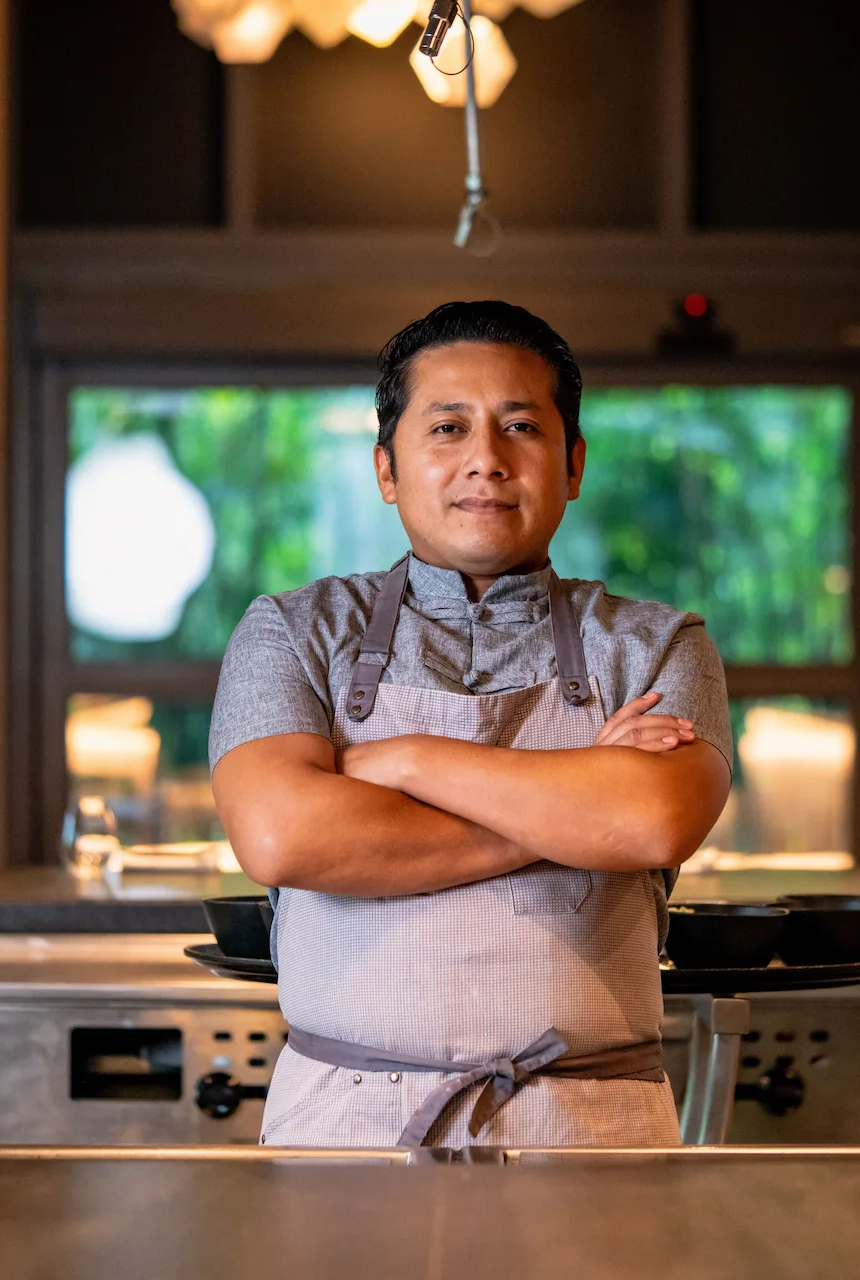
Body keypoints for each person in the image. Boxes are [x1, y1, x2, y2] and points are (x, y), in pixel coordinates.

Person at [208, 300, 733, 1148]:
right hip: (344, 1132)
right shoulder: (292, 632)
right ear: (387, 469)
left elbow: (651, 820)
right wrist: (574, 809)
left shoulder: (659, 644)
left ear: (573, 464)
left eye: (520, 426)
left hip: (593, 1135)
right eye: (448, 428)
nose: (486, 460)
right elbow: (281, 836)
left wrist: (403, 762)